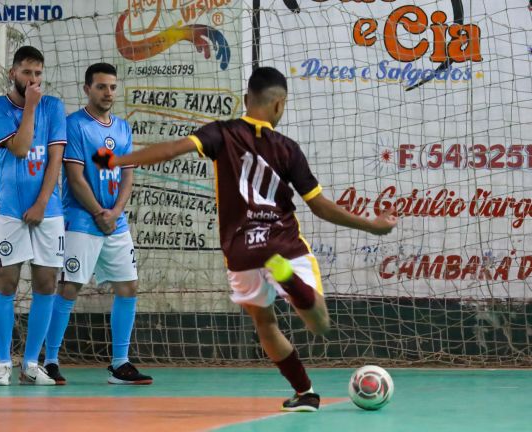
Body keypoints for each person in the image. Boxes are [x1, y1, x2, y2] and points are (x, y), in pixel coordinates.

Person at [92, 67, 397, 410]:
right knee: (320, 324)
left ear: (246, 99)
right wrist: (372, 225)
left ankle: (305, 392)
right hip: (284, 243)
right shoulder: (288, 149)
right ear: (279, 105)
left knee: (265, 325)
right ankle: (289, 281)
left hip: (242, 251)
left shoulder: (222, 133)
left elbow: (170, 150)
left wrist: (116, 160)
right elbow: (321, 207)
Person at [43, 63, 152, 385]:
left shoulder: (122, 128)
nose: (108, 93)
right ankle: (49, 361)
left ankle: (120, 364)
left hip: (114, 222)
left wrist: (116, 211)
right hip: (81, 220)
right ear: (87, 89)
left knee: (128, 287)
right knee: (70, 287)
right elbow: (75, 179)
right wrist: (98, 213)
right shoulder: (73, 125)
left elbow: (128, 173)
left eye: (112, 87)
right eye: (101, 87)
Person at [0, 46, 66, 386]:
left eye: (38, 74)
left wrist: (43, 203)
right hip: (11, 211)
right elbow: (19, 148)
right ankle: (3, 362)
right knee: (7, 282)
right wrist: (30, 107)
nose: (33, 80)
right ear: (13, 73)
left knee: (46, 283)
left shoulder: (55, 107)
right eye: (27, 73)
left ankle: (31, 363)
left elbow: (55, 159)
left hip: (48, 210)